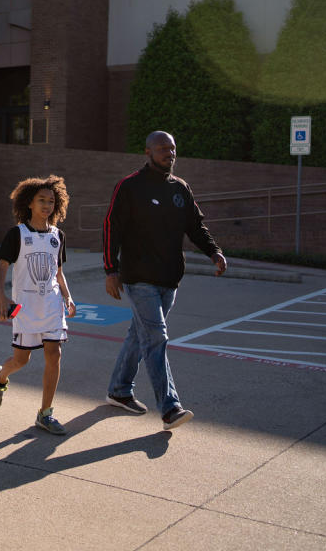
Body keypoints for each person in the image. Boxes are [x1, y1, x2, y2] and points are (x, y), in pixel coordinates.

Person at [102, 131, 227, 430]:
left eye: (172, 148)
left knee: (139, 334)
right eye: (162, 148)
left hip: (169, 279)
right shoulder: (130, 186)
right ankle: (170, 408)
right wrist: (110, 269)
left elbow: (195, 226)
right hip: (139, 278)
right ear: (147, 151)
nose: (169, 153)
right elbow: (111, 227)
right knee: (156, 337)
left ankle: (119, 390)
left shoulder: (181, 189)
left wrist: (214, 252)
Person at [0, 175, 76, 435]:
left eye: (51, 200)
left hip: (51, 304)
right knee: (21, 360)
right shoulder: (18, 234)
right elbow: (2, 267)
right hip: (25, 306)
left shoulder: (58, 236)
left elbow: (58, 272)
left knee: (54, 354)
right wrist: (1, 297)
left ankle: (45, 414)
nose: (47, 205)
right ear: (30, 203)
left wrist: (68, 297)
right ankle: (0, 377)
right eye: (41, 200)